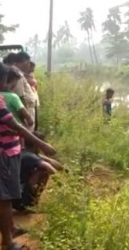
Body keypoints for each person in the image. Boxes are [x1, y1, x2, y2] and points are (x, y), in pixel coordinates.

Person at [0, 63, 56, 250]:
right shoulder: (2, 100)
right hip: (5, 154)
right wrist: (43, 145)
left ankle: (11, 229)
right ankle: (8, 242)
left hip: (9, 153)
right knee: (5, 199)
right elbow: (16, 125)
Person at [13, 132, 63, 211]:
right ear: (38, 145)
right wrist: (63, 185)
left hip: (12, 197)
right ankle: (31, 202)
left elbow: (59, 167)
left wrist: (43, 157)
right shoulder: (31, 157)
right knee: (43, 171)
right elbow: (50, 169)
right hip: (21, 197)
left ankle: (29, 201)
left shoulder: (24, 153)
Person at [12, 52, 36, 131]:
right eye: (28, 63)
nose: (29, 65)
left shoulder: (19, 73)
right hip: (25, 112)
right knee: (26, 136)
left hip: (27, 110)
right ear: (25, 62)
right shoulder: (17, 74)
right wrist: (26, 117)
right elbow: (20, 97)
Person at [24, 61, 40, 131]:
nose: (33, 70)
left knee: (35, 120)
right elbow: (33, 82)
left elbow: (35, 85)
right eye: (32, 68)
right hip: (28, 103)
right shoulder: (23, 75)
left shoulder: (31, 75)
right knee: (30, 123)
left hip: (34, 99)